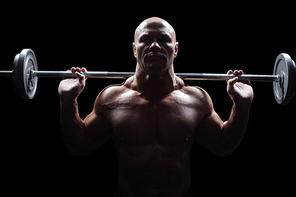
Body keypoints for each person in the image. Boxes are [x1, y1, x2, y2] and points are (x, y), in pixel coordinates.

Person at [58, 17, 254, 197]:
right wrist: (68, 99)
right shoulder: (112, 99)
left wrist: (242, 104)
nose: (154, 45)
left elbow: (223, 147)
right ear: (134, 49)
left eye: (163, 39)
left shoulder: (196, 99)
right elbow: (79, 147)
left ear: (175, 49)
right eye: (145, 39)